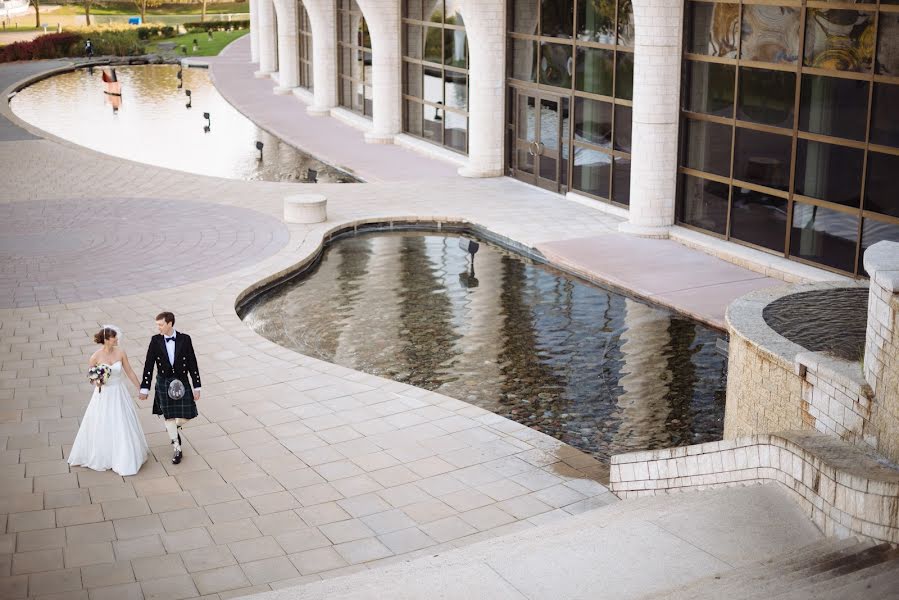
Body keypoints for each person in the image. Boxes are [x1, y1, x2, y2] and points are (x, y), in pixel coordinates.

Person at [68, 326, 149, 476]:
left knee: (122, 422)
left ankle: (125, 456)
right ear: (106, 340)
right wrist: (97, 382)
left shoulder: (121, 353)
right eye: (115, 338)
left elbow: (129, 371)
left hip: (119, 392)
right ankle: (105, 455)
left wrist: (141, 388)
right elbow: (92, 378)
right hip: (104, 394)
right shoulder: (95, 357)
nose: (117, 340)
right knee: (103, 422)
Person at [139, 312, 201, 465]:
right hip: (164, 381)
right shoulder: (155, 341)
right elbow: (148, 364)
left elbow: (192, 362)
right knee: (169, 417)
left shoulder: (185, 339)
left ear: (170, 323)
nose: (158, 327)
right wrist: (144, 388)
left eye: (161, 324)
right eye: (157, 325)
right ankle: (177, 447)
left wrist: (197, 386)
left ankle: (174, 427)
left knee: (189, 414)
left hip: (181, 380)